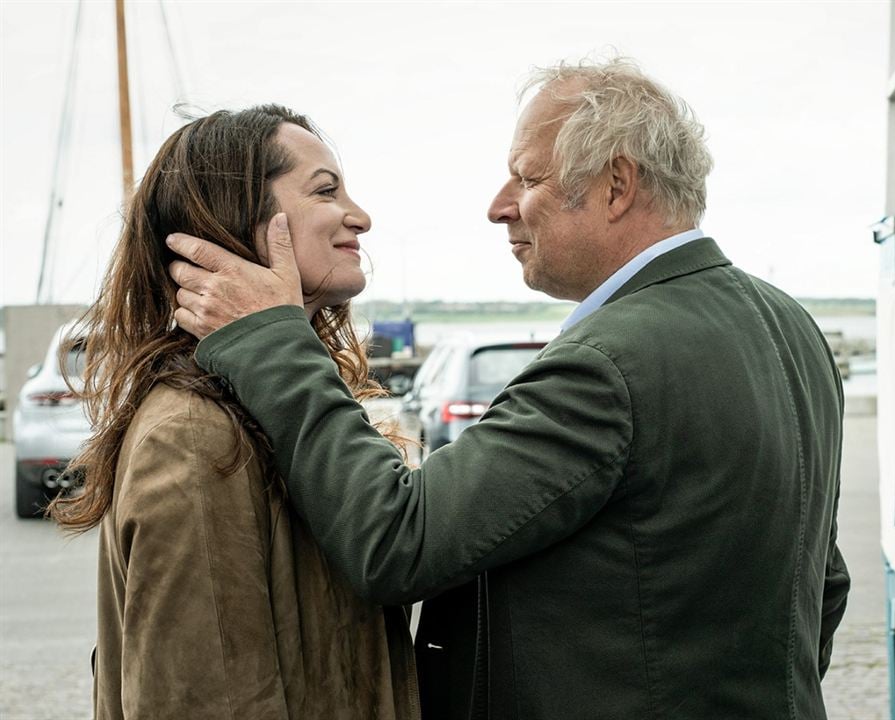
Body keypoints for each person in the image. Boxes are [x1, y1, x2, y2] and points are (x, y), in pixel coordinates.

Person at [166, 58, 850, 719]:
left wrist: (273, 344)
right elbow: (819, 580)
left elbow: (398, 541)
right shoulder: (788, 324)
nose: (499, 208)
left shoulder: (610, 362)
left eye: (526, 178)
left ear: (616, 184)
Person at [48, 105, 419, 719]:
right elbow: (200, 700)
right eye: (326, 191)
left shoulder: (272, 407)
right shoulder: (195, 437)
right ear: (240, 221)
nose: (361, 216)